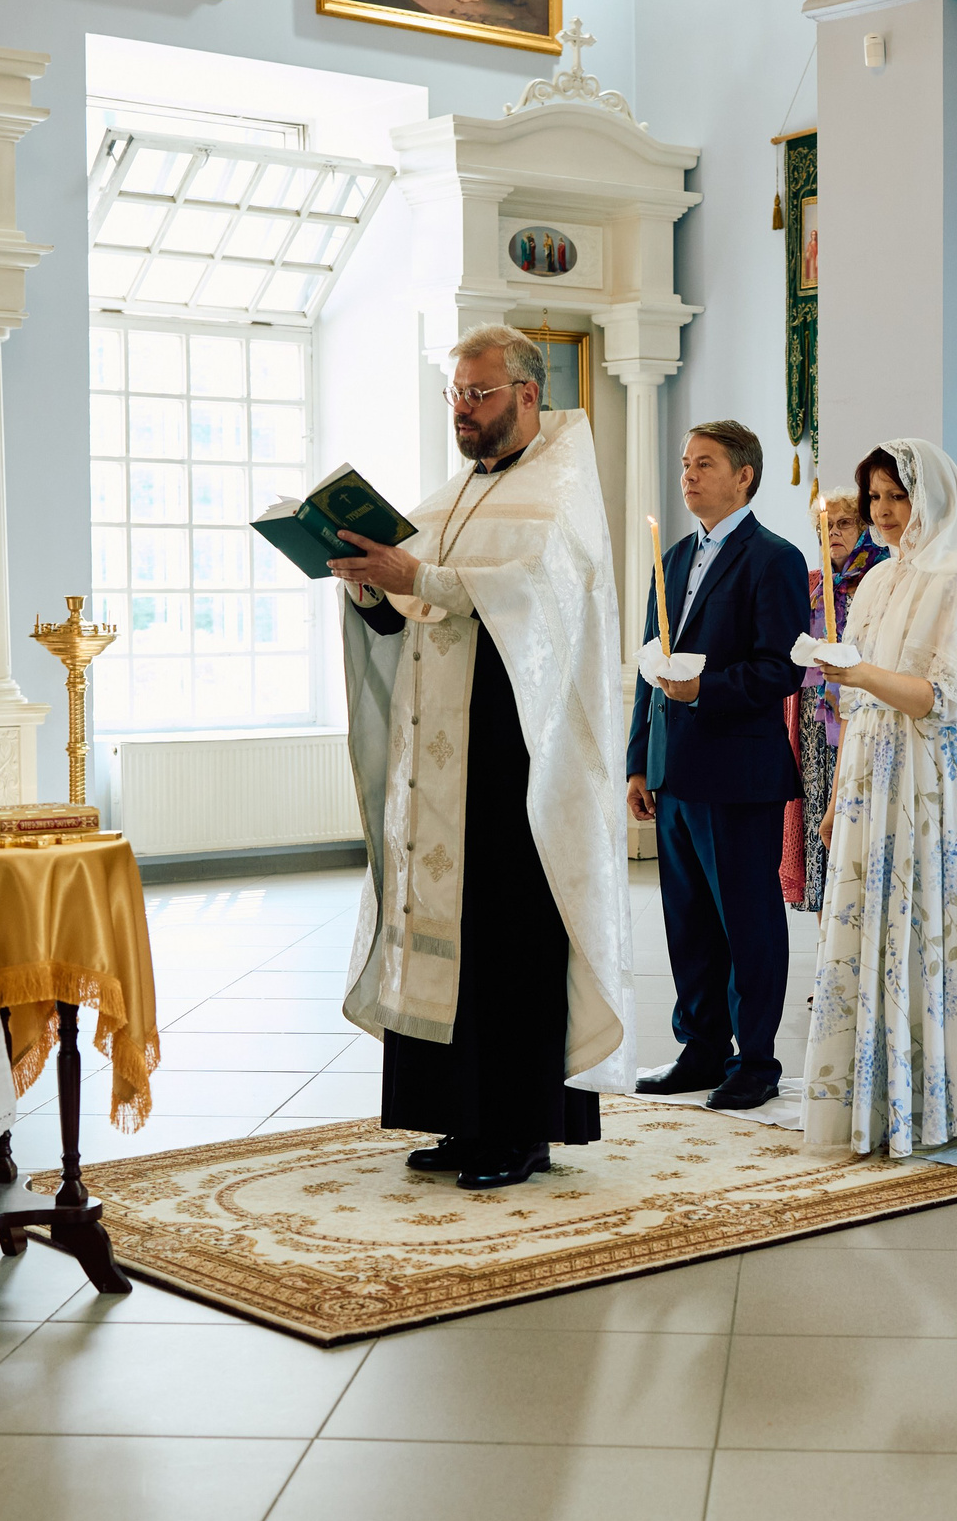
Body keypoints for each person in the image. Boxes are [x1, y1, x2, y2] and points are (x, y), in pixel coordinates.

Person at [326, 324, 635, 1191]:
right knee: (450, 935)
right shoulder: (453, 495)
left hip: (520, 760)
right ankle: (461, 1118)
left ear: (527, 395)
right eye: (456, 394)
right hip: (444, 765)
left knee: (511, 940)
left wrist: (415, 579)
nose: (462, 410)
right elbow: (411, 606)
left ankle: (522, 1129)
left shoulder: (561, 489)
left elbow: (534, 600)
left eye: (479, 394)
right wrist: (369, 583)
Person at [804, 440, 957, 1157]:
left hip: (928, 777)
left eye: (895, 496)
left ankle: (946, 1098)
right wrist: (838, 793)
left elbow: (942, 698)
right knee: (874, 928)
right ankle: (878, 1098)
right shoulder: (879, 582)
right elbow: (854, 696)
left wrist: (859, 675)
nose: (882, 513)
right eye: (874, 498)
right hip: (871, 772)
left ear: (931, 499)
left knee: (928, 925)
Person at [628, 420, 810, 1111]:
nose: (689, 475)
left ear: (745, 476)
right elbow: (651, 664)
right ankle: (701, 1047)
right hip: (676, 771)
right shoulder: (670, 556)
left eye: (705, 464)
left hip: (740, 773)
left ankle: (756, 1058)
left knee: (748, 921)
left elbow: (781, 669)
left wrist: (707, 689)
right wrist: (639, 761)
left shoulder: (774, 558)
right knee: (689, 921)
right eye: (684, 463)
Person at [780, 492, 887, 913]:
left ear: (863, 528)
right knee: (816, 823)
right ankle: (830, 952)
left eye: (844, 524)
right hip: (811, 715)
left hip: (861, 708)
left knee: (855, 819)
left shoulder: (880, 578)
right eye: (826, 527)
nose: (834, 533)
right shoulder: (810, 584)